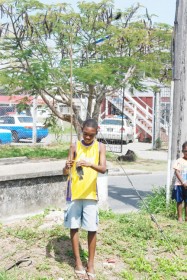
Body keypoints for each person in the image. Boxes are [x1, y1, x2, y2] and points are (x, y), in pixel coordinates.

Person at [63, 119, 106, 280]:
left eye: (91, 135)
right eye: (85, 134)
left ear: (97, 131)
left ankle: (91, 264)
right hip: (74, 193)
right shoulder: (74, 146)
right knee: (74, 227)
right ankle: (78, 262)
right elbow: (64, 172)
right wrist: (66, 166)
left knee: (92, 228)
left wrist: (89, 164)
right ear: (81, 130)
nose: (87, 137)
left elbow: (103, 168)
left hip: (90, 194)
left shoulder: (100, 147)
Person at [173, 141, 187, 222]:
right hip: (179, 185)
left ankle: (186, 218)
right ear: (182, 151)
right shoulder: (179, 161)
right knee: (179, 201)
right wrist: (183, 182)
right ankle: (180, 217)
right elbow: (177, 172)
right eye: (186, 151)